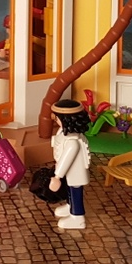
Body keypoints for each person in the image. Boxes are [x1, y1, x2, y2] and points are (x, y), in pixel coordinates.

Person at [48, 99, 92, 230]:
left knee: (75, 191)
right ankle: (70, 206)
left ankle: (77, 217)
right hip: (69, 172)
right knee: (69, 189)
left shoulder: (73, 141)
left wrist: (57, 176)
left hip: (75, 172)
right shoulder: (63, 131)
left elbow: (66, 159)